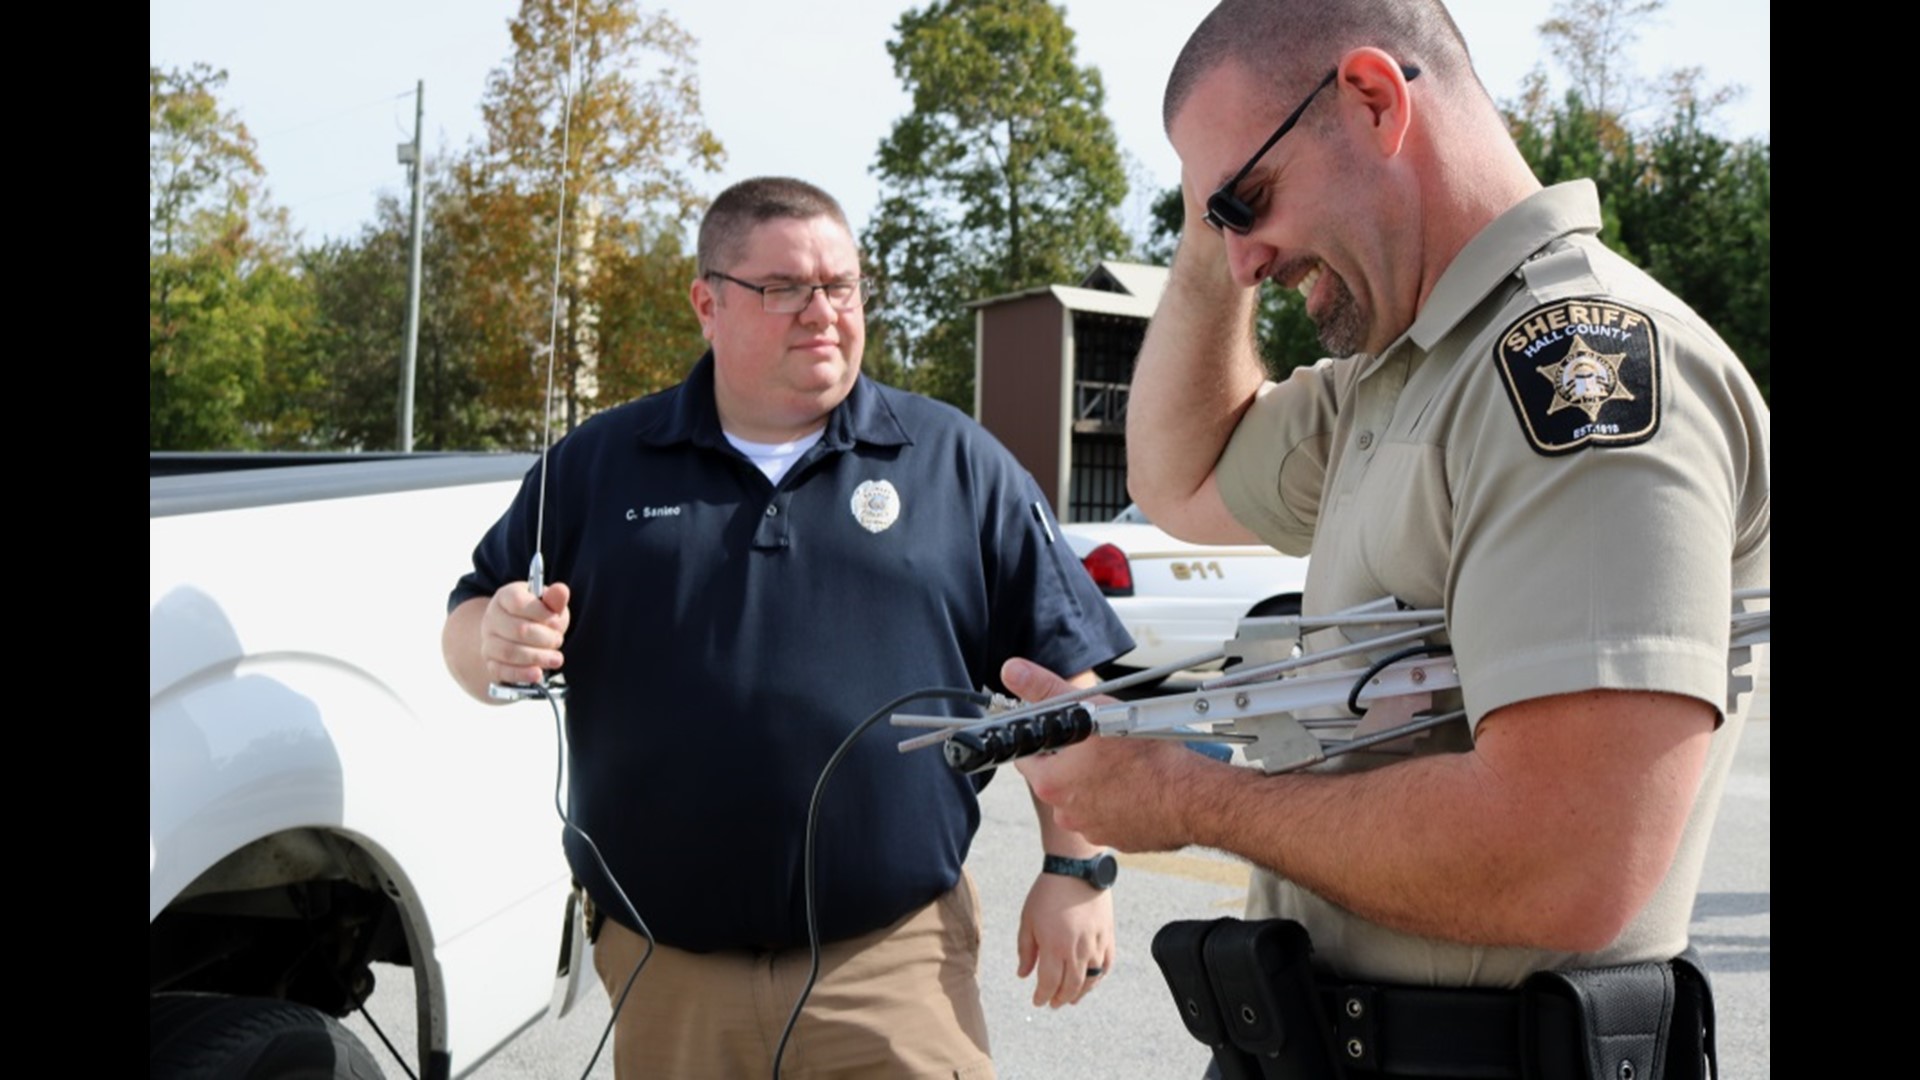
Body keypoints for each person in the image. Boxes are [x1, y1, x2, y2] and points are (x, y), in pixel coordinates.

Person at [1005, 1, 1768, 1075]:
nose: (1244, 259)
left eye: (1245, 199)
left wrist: (1184, 795)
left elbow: (1570, 861)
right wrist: (1212, 210)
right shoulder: (1402, 368)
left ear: (1371, 100)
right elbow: (1182, 477)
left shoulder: (1575, 368)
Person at [443, 176, 1135, 1079]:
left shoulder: (955, 463)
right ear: (707, 303)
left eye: (841, 286)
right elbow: (471, 620)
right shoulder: (598, 465)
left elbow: (1067, 680)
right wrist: (491, 637)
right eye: (784, 289)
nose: (822, 312)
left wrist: (1076, 868)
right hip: (671, 972)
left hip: (893, 965)